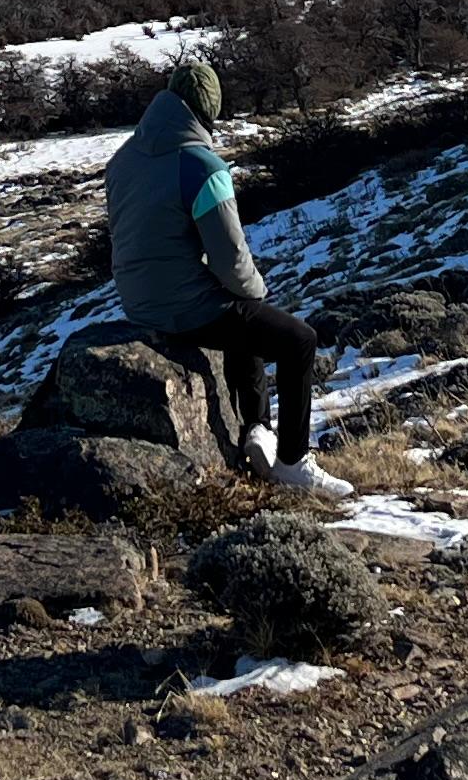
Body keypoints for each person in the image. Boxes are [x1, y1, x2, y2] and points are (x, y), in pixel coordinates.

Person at [104, 57, 346, 494]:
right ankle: (293, 462)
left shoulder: (123, 160)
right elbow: (230, 258)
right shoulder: (202, 167)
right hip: (183, 309)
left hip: (137, 301)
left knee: (239, 313)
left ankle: (257, 427)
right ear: (208, 112)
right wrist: (258, 291)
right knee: (296, 339)